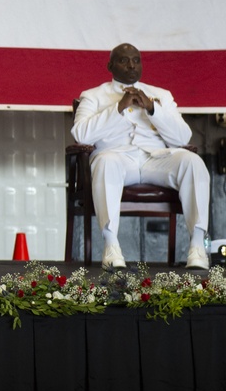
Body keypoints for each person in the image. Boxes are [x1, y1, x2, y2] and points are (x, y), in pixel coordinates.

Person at [71, 43, 209, 270]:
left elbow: (182, 137)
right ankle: (111, 245)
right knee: (105, 161)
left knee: (193, 162)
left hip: (156, 159)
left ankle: (197, 247)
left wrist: (153, 109)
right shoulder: (93, 95)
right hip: (117, 159)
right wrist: (118, 108)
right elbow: (81, 134)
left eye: (136, 60)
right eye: (124, 60)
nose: (131, 65)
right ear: (110, 65)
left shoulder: (161, 95)